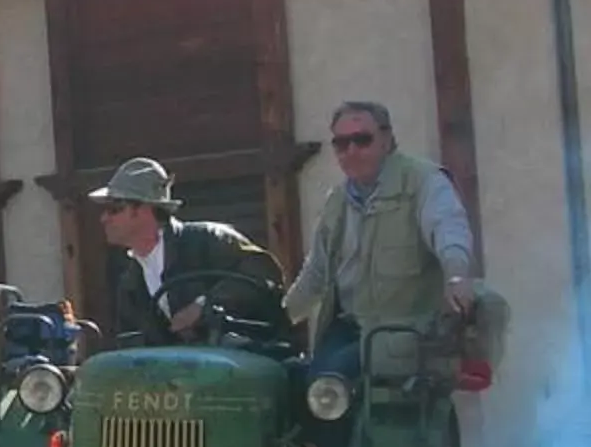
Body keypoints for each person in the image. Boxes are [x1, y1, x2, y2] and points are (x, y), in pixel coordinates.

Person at [284, 101, 478, 357]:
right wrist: (279, 318)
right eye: (341, 144)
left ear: (386, 140)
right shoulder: (337, 203)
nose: (351, 151)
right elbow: (316, 273)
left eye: (362, 140)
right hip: (349, 327)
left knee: (333, 376)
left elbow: (448, 229)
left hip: (407, 333)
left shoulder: (423, 182)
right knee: (296, 379)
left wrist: (456, 276)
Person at [86, 158, 285, 347]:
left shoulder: (207, 239)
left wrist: (203, 306)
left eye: (114, 209)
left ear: (143, 209)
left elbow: (264, 274)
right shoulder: (130, 283)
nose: (104, 218)